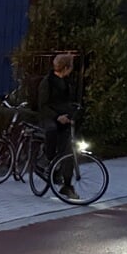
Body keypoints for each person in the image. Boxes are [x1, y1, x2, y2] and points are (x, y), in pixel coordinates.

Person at [37, 52, 80, 193]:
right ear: (66, 67)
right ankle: (48, 160)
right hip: (50, 118)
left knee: (70, 150)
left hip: (65, 118)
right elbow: (43, 105)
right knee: (52, 131)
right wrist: (57, 116)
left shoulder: (68, 82)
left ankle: (67, 184)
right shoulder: (47, 82)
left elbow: (69, 102)